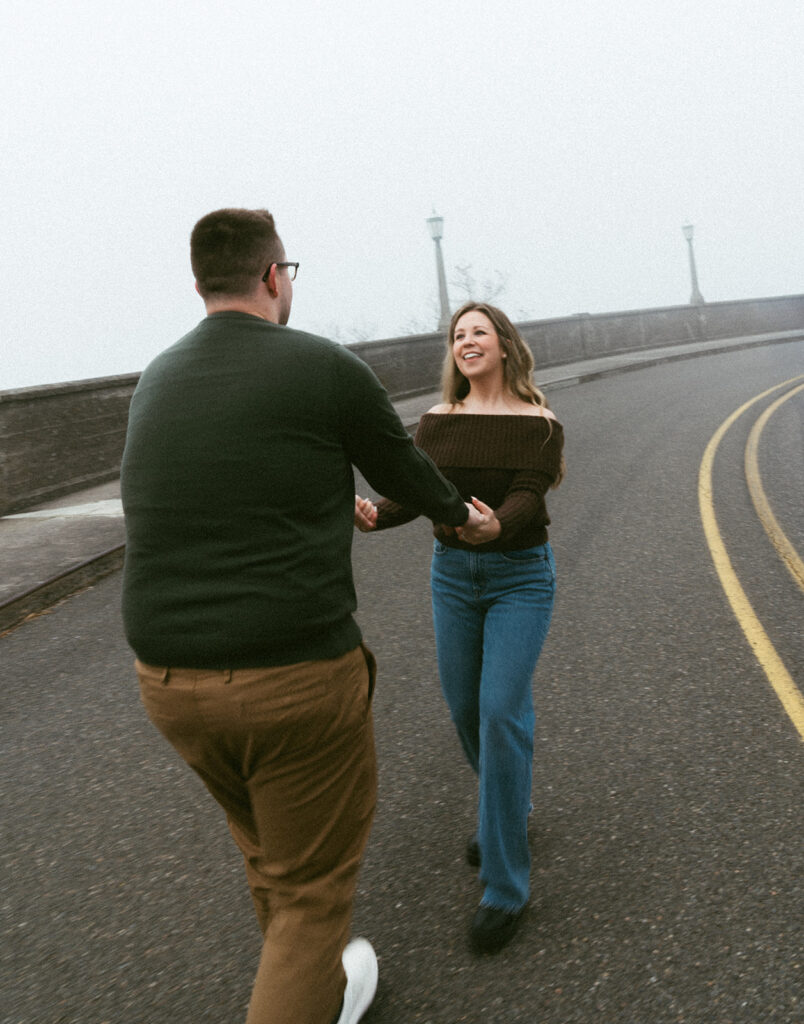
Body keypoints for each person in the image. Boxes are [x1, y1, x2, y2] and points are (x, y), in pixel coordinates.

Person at [120, 208, 478, 1024]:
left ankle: (315, 991)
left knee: (272, 856)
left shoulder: (157, 377)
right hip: (289, 678)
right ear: (275, 277)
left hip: (169, 684)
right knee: (315, 895)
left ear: (202, 282)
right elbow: (407, 469)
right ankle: (301, 982)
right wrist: (463, 515)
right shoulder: (321, 366)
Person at [355, 301, 565, 955]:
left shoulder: (540, 424)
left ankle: (505, 888)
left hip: (519, 577)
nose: (467, 340)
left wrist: (496, 524)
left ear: (504, 345)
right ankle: (508, 805)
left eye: (479, 331)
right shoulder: (436, 423)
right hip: (453, 576)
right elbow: (418, 488)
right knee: (467, 710)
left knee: (501, 711)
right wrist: (375, 515)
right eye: (458, 335)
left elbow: (530, 495)